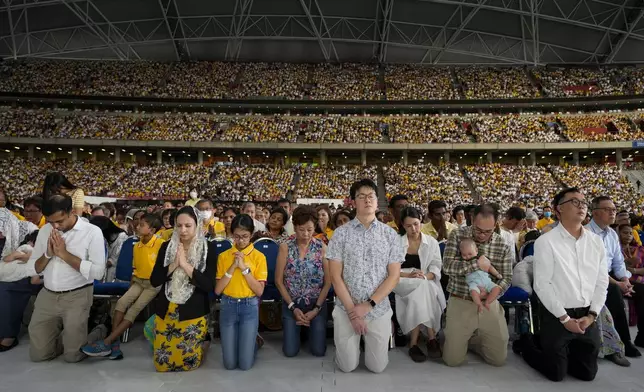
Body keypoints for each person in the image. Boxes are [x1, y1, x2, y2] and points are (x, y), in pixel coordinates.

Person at [516, 187, 608, 382]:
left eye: (584, 202)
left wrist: (592, 315)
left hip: (586, 314)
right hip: (556, 313)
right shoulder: (546, 242)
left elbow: (602, 281)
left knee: (587, 373)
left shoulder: (596, 242)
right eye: (574, 202)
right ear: (558, 210)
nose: (581, 206)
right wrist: (565, 319)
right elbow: (542, 285)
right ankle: (526, 344)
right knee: (556, 373)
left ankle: (563, 348)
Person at [327, 179, 403, 373]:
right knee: (347, 367)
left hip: (378, 309)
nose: (367, 200)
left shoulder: (390, 235)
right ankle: (347, 349)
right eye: (361, 197)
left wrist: (368, 305)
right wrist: (353, 311)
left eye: (371, 196)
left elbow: (393, 277)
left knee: (377, 367)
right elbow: (336, 278)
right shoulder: (340, 234)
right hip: (346, 309)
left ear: (377, 201)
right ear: (353, 202)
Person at [28, 195, 106, 363]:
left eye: (60, 221)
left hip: (77, 295)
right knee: (39, 355)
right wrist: (48, 254)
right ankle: (70, 336)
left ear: (71, 212)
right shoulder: (45, 231)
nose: (55, 226)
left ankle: (99, 330)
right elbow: (35, 268)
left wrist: (64, 254)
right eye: (50, 222)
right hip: (48, 295)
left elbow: (98, 273)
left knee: (73, 356)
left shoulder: (92, 232)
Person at [82, 213, 163, 360]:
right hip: (138, 282)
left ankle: (107, 342)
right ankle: (114, 344)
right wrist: (132, 283)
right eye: (138, 224)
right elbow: (135, 268)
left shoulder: (160, 244)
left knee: (133, 310)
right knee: (121, 303)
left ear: (152, 230)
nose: (137, 226)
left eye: (142, 225)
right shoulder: (137, 245)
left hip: (152, 285)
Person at [442, 203, 513, 367]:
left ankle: (472, 338)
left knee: (498, 360)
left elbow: (506, 277)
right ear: (472, 220)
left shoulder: (502, 245)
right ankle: (464, 336)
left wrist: (491, 295)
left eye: (488, 231)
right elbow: (447, 267)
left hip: (489, 302)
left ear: (495, 225)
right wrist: (476, 265)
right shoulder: (458, 235)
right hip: (461, 300)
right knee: (452, 360)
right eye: (479, 230)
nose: (482, 235)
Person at [149, 206, 216, 372]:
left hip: (193, 309)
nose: (183, 230)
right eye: (179, 226)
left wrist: (186, 266)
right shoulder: (166, 247)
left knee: (189, 364)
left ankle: (205, 341)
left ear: (197, 225)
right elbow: (154, 281)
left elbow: (208, 285)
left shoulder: (208, 249)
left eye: (188, 225)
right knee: (162, 365)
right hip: (167, 307)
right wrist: (173, 265)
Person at [586, 196, 641, 358]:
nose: (612, 213)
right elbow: (595, 268)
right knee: (614, 291)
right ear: (595, 213)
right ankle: (624, 341)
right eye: (607, 209)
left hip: (611, 275)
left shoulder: (611, 234)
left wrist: (624, 279)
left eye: (614, 210)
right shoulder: (587, 234)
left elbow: (618, 262)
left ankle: (642, 336)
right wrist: (618, 283)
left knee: (641, 289)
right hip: (592, 277)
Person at [275, 205, 330, 357]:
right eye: (301, 229)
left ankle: (308, 327)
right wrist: (293, 307)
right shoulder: (285, 247)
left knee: (319, 351)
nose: (306, 234)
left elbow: (328, 283)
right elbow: (279, 281)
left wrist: (316, 309)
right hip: (291, 303)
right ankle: (300, 328)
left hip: (315, 304)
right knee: (290, 352)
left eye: (310, 230)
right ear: (294, 227)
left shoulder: (322, 248)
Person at [215, 214, 267, 370]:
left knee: (245, 365)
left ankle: (255, 342)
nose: (241, 240)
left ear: (251, 235)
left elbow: (259, 291)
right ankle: (245, 342)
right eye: (237, 236)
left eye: (245, 236)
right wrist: (233, 266)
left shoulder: (259, 257)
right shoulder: (224, 256)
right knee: (229, 364)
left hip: (249, 306)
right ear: (232, 235)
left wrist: (244, 268)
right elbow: (218, 290)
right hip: (228, 305)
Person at [394, 207, 445, 362]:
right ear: (403, 225)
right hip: (401, 279)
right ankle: (431, 338)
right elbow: (389, 269)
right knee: (424, 288)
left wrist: (426, 276)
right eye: (409, 226)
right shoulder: (396, 242)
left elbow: (436, 266)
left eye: (416, 224)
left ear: (421, 222)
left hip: (425, 280)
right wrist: (409, 274)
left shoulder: (431, 242)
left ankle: (413, 343)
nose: (413, 229)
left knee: (422, 288)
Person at [0, 209, 38, 352]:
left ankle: (8, 335)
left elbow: (41, 255)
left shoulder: (28, 232)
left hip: (22, 277)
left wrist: (23, 257)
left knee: (5, 290)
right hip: (10, 273)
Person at [617, 223, 644, 349]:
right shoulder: (615, 249)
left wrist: (633, 270)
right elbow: (614, 268)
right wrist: (627, 265)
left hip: (638, 280)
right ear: (618, 234)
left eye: (630, 233)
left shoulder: (639, 249)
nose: (628, 236)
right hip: (620, 281)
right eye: (624, 233)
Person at [460, 238, 503, 313]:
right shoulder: (463, 263)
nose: (467, 257)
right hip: (474, 283)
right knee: (473, 292)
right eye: (464, 255)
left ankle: (488, 302)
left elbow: (490, 267)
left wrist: (497, 274)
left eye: (470, 254)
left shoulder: (481, 259)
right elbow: (460, 271)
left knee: (497, 288)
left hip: (487, 282)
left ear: (476, 251)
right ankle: (479, 304)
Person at [89, 216, 129, 282]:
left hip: (114, 273)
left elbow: (113, 260)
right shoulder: (104, 238)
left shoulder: (122, 237)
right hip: (104, 271)